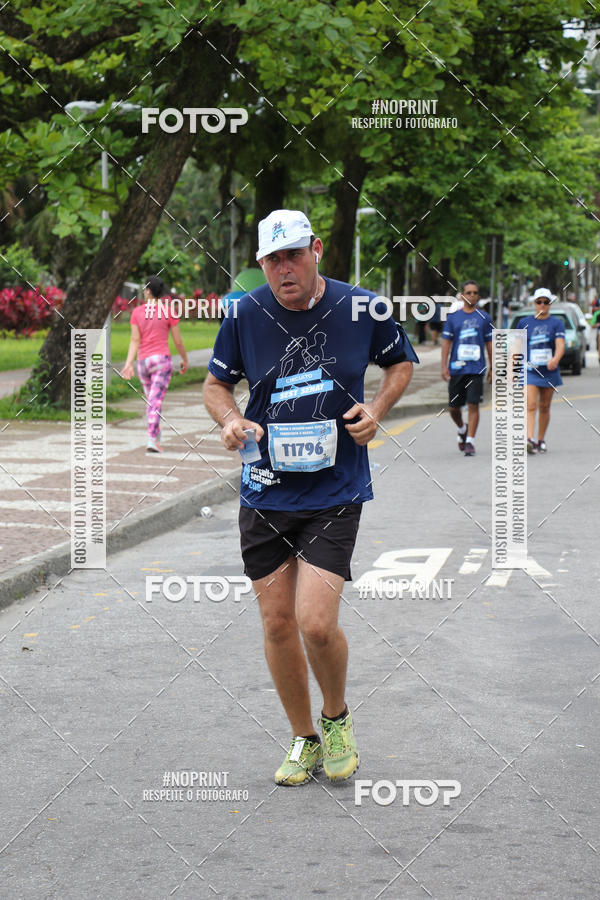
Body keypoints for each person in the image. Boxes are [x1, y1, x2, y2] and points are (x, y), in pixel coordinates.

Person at [203, 209, 418, 786]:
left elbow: (401, 363)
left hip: (335, 490)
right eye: (272, 260)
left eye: (294, 254)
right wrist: (228, 419)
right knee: (277, 623)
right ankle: (303, 739)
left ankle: (336, 717)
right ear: (260, 265)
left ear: (317, 249)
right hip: (265, 489)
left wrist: (377, 409)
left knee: (315, 623)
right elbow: (217, 383)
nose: (284, 268)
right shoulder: (245, 314)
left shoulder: (361, 307)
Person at [121, 275, 188, 452]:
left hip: (143, 363)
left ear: (149, 291)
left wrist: (129, 363)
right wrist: (184, 359)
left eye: (144, 289)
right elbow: (178, 342)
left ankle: (155, 437)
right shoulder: (168, 312)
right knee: (154, 402)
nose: (143, 292)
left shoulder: (137, 313)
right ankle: (152, 439)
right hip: (161, 361)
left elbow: (135, 340)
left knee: (151, 401)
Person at [441, 280, 493, 457]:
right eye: (469, 292)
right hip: (456, 369)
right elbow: (446, 343)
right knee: (454, 408)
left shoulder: (484, 318)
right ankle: (462, 428)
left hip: (476, 369)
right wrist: (444, 366)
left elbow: (490, 343)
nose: (472, 295)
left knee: (473, 404)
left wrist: (493, 367)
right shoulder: (453, 318)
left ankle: (470, 441)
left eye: (475, 293)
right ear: (462, 295)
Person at [517, 287, 565, 453]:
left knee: (544, 406)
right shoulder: (524, 323)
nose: (542, 305)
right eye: (539, 302)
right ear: (534, 303)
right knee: (530, 405)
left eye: (546, 302)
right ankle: (529, 439)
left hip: (549, 371)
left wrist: (555, 359)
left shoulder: (557, 323)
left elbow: (560, 345)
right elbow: (517, 347)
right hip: (530, 371)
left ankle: (541, 439)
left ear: (550, 303)